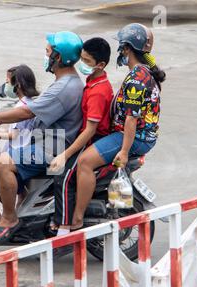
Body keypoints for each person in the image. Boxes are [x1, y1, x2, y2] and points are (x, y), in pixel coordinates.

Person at [0, 31, 84, 245]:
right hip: (46, 140)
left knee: (2, 165)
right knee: (3, 156)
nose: (45, 55)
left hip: (52, 145)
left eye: (48, 52)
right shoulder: (66, 82)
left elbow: (26, 113)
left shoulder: (64, 87)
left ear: (58, 57)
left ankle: (9, 218)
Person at [71, 23, 166, 230]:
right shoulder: (142, 72)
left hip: (134, 138)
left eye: (122, 47)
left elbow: (132, 119)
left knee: (85, 162)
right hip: (136, 135)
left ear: (127, 48)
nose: (120, 51)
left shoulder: (137, 80)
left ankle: (76, 220)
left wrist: (123, 152)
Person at [49, 37, 113, 236]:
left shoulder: (98, 92)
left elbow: (90, 130)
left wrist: (65, 155)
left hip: (92, 139)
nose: (82, 65)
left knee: (64, 176)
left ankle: (68, 225)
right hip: (85, 136)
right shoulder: (92, 81)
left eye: (87, 62)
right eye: (82, 59)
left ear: (100, 65)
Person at [0, 64, 39, 230]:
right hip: (21, 151)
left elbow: (15, 135)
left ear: (17, 85)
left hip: (19, 154)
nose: (6, 86)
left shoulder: (22, 107)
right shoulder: (29, 103)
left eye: (8, 82)